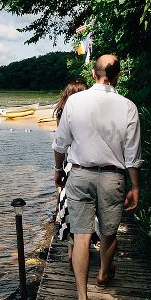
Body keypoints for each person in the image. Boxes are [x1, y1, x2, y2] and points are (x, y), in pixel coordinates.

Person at [52, 54, 142, 300]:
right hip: (113, 177)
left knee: (81, 235)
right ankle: (103, 274)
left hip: (80, 174)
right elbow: (133, 153)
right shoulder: (128, 106)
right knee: (108, 232)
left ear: (94, 74)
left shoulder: (75, 102)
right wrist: (135, 185)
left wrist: (58, 171)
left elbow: (60, 143)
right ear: (118, 76)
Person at [52, 78, 88, 264]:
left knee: (67, 209)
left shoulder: (63, 113)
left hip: (69, 165)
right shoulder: (90, 112)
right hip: (84, 165)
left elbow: (60, 145)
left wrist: (57, 170)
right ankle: (80, 250)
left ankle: (71, 252)